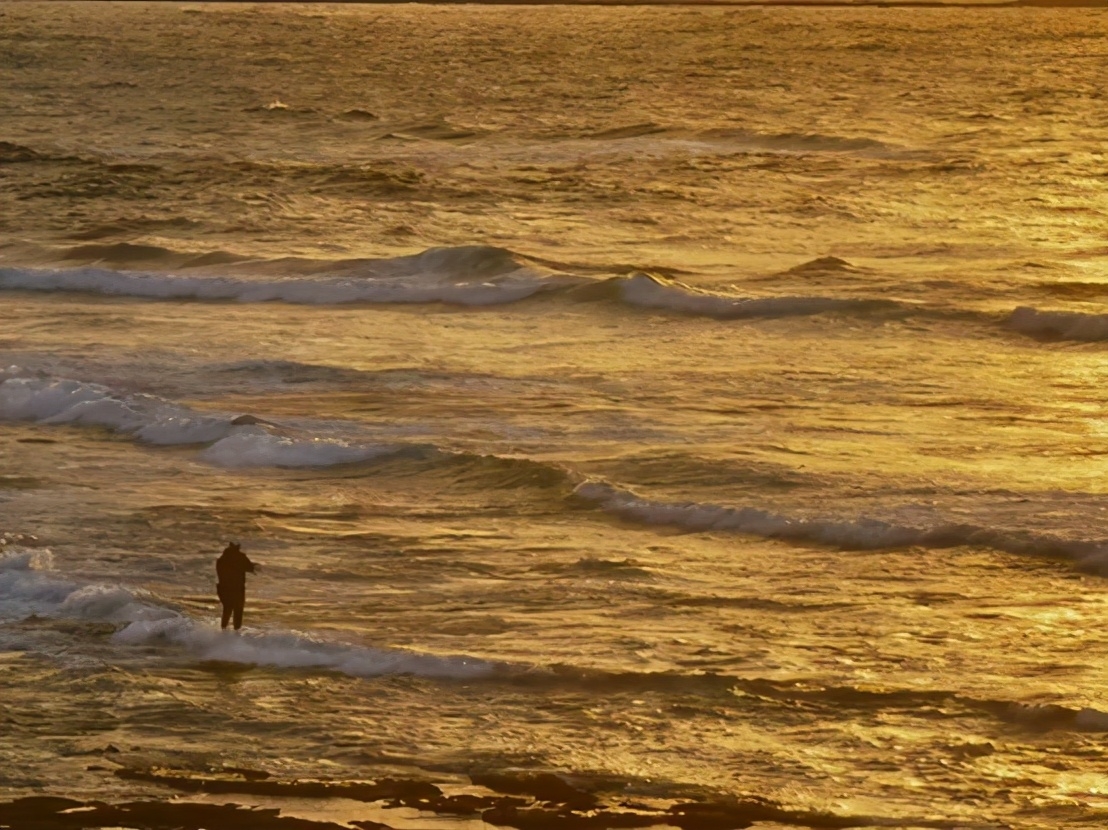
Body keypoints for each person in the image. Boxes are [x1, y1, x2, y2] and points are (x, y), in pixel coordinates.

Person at [216, 541, 257, 630]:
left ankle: (223, 630)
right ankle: (236, 632)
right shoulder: (240, 557)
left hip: (223, 589)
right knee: (238, 611)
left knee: (227, 609)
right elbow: (250, 568)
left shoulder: (221, 560)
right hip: (237, 589)